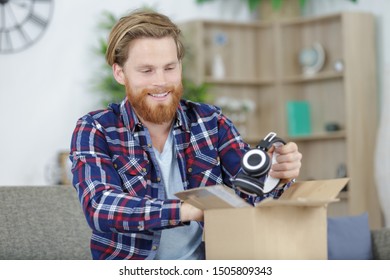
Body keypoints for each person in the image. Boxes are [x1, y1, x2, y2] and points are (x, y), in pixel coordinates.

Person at [69, 9, 302, 260]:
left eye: (169, 67)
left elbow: (250, 197)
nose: (161, 82)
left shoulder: (211, 122)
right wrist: (186, 210)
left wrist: (276, 175)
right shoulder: (95, 129)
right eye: (146, 71)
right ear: (119, 73)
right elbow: (101, 207)